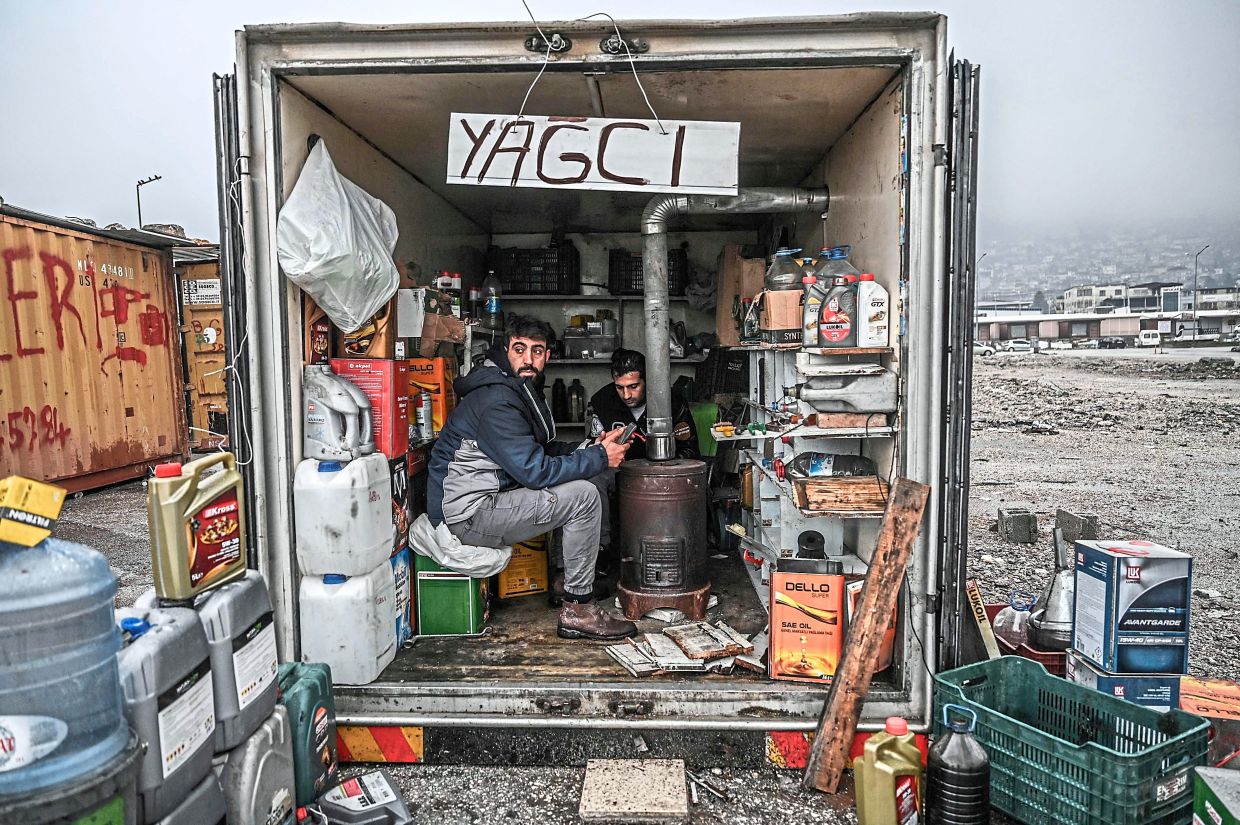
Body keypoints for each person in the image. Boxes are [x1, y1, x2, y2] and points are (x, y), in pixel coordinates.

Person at [426, 315, 637, 641]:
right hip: (469, 514)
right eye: (519, 349)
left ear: (547, 355)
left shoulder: (516, 388)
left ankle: (563, 582)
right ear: (506, 351)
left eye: (537, 351)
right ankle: (579, 609)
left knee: (588, 481)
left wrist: (590, 446)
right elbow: (535, 471)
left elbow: (539, 449)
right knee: (583, 495)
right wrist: (599, 457)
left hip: (489, 500)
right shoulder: (497, 400)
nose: (528, 359)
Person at [587, 349, 700, 462]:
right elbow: (592, 448)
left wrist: (663, 467)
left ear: (647, 380)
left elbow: (689, 451)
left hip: (662, 474)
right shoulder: (602, 401)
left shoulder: (672, 402)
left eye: (633, 386)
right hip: (616, 474)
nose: (626, 396)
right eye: (619, 387)